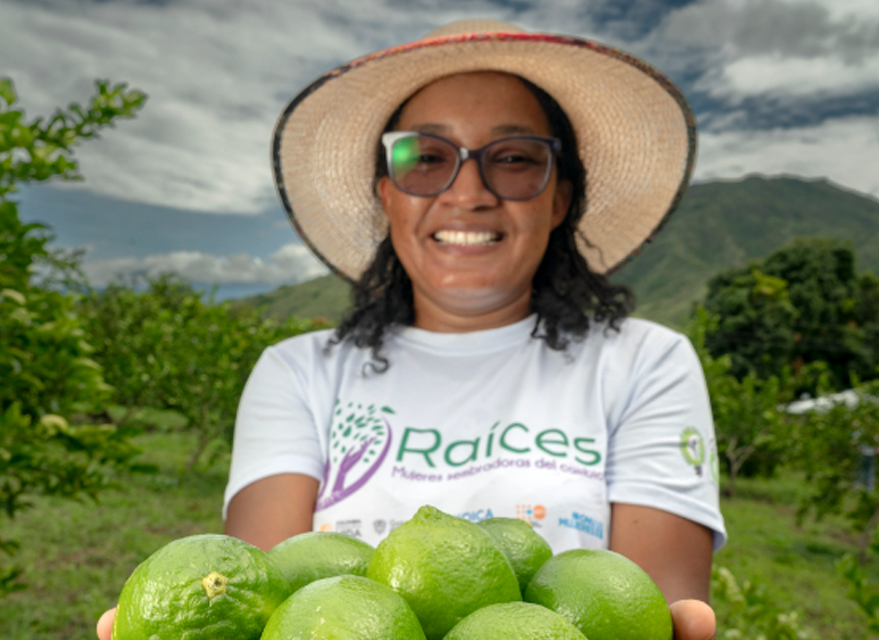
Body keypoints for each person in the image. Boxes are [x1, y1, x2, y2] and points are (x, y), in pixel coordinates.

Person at [98, 19, 724, 640]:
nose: (468, 191)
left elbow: (646, 611)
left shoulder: (645, 362)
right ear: (387, 195)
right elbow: (267, 598)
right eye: (426, 158)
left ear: (558, 198)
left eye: (512, 159)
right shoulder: (299, 371)